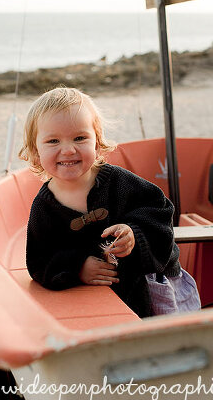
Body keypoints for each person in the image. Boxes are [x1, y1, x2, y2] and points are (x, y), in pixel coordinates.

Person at [19, 87, 183, 317]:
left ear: (96, 143)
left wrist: (134, 234)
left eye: (80, 138)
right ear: (36, 152)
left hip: (146, 287)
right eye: (53, 141)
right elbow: (40, 261)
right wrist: (78, 267)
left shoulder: (119, 182)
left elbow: (159, 210)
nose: (68, 150)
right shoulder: (44, 207)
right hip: (91, 304)